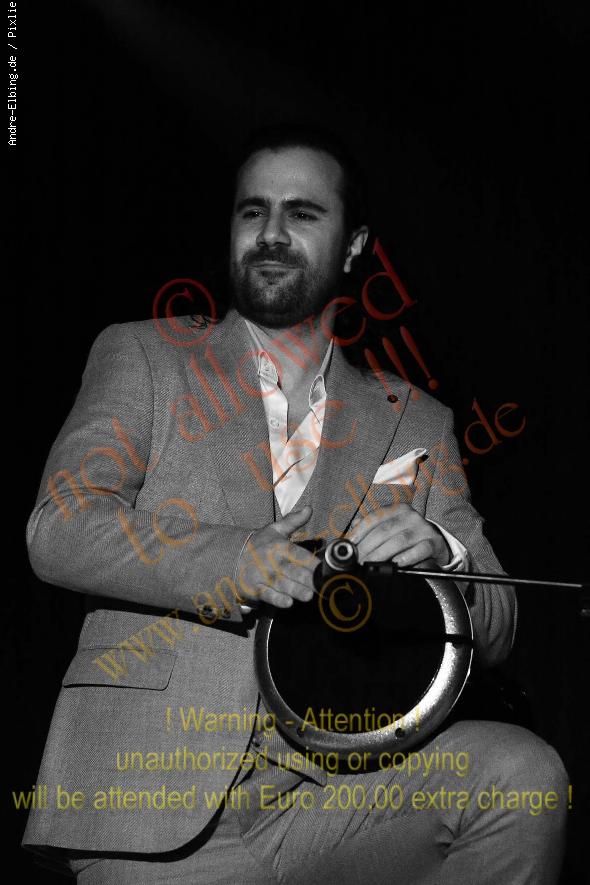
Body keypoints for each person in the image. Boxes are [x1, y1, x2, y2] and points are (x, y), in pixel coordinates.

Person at [23, 126, 568, 883]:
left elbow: (500, 622)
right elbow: (59, 526)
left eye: (303, 213)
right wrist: (232, 560)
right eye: (254, 211)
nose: (272, 233)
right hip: (151, 799)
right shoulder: (143, 354)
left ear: (354, 246)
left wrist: (445, 556)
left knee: (522, 777)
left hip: (344, 796)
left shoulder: (416, 419)